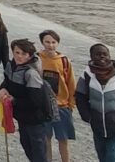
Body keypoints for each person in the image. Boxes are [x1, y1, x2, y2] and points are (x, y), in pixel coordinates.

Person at [75, 43, 115, 162]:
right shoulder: (87, 75)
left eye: (105, 54)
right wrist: (88, 117)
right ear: (91, 57)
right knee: (103, 157)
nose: (102, 57)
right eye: (98, 54)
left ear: (109, 56)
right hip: (98, 127)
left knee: (113, 157)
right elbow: (80, 97)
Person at [0, 38, 50, 162]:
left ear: (30, 55)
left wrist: (13, 101)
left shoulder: (31, 74)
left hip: (35, 118)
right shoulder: (11, 66)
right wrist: (3, 89)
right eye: (17, 52)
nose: (20, 56)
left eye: (24, 54)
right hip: (22, 116)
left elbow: (36, 101)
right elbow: (7, 82)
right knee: (27, 146)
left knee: (38, 152)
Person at [38, 29, 77, 162]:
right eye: (47, 42)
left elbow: (71, 83)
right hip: (43, 105)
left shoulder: (64, 61)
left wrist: (71, 103)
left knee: (63, 139)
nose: (50, 45)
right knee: (45, 138)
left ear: (57, 43)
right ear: (42, 42)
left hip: (62, 105)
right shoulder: (37, 58)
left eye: (53, 42)